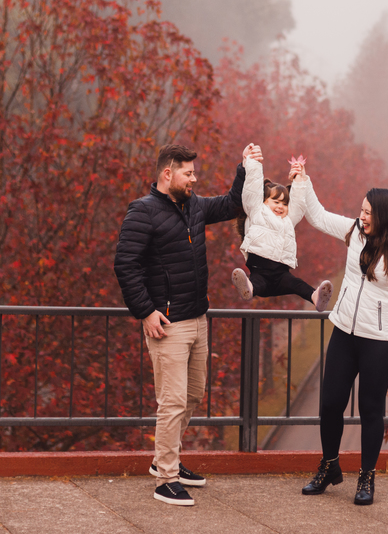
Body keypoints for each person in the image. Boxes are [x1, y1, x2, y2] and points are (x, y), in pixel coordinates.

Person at [113, 143, 250, 507]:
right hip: (167, 325)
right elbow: (125, 265)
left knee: (192, 396)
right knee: (172, 402)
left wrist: (244, 167)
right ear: (167, 173)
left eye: (194, 172)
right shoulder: (142, 212)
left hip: (198, 318)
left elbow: (233, 203)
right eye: (188, 173)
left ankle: (165, 459)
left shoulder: (195, 206)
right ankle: (166, 478)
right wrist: (145, 311)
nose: (194, 178)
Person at [292, 163, 388, 505]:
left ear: (382, 216)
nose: (360, 216)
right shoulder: (354, 232)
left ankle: (366, 479)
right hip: (344, 330)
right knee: (330, 403)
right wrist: (304, 180)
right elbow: (319, 216)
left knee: (370, 410)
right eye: (360, 211)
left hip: (380, 340)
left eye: (367, 213)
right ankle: (330, 466)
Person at [230, 148, 333, 312]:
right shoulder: (257, 211)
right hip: (259, 270)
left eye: (284, 203)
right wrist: (253, 164)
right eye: (275, 201)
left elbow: (299, 205)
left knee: (297, 284)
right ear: (264, 201)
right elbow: (251, 191)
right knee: (257, 284)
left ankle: (316, 297)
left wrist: (299, 180)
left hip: (281, 274)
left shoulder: (288, 220)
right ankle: (247, 287)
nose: (280, 206)